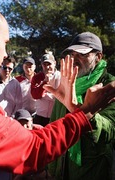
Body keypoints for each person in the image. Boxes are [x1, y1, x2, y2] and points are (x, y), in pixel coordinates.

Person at [0, 1, 115, 179]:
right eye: (5, 43)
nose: (6, 54)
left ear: (98, 56)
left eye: (81, 54)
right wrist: (84, 113)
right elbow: (34, 148)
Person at [49, 32, 115, 180]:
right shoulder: (67, 83)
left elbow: (109, 132)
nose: (75, 59)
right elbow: (54, 124)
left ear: (98, 57)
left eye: (82, 54)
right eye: (72, 54)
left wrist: (79, 111)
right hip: (61, 167)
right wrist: (51, 168)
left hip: (92, 169)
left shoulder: (109, 86)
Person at [31, 53, 61, 126]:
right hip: (40, 116)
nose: (47, 67)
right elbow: (35, 95)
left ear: (54, 63)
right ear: (42, 65)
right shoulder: (37, 77)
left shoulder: (60, 76)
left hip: (54, 116)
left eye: (49, 64)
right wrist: (44, 82)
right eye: (45, 64)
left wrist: (44, 96)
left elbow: (59, 97)